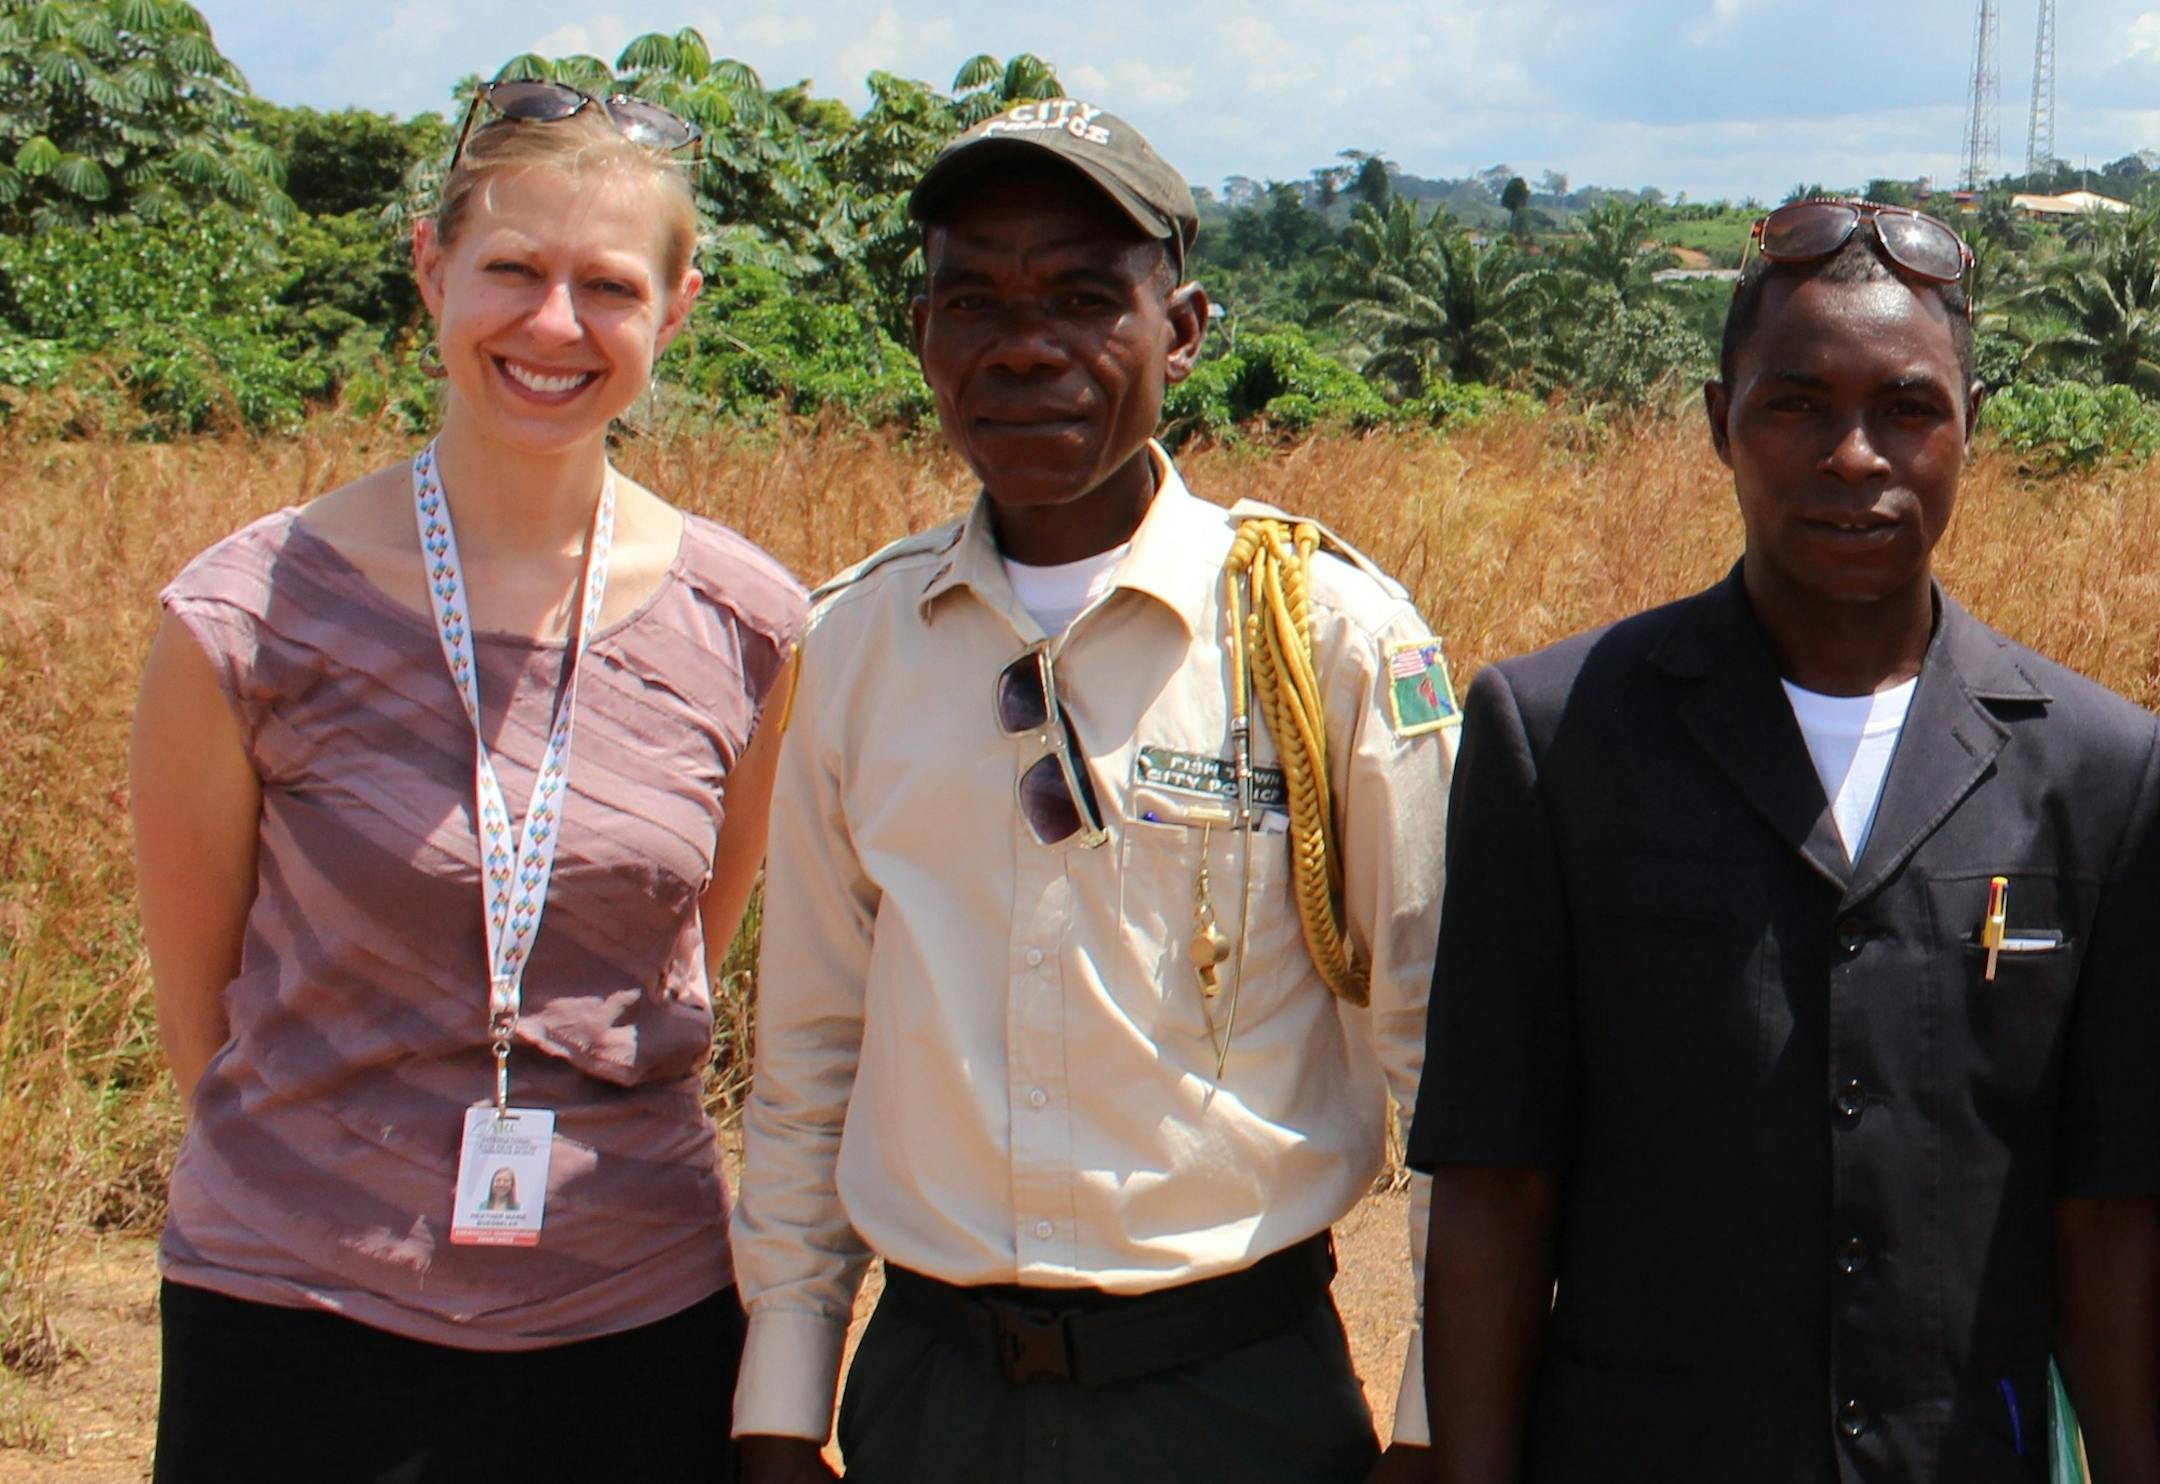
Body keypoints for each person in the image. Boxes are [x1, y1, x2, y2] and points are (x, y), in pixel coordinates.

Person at [729, 101, 1456, 1484]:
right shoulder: (856, 645)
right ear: (924, 333)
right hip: (928, 1398)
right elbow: (811, 1051)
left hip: (1233, 1403)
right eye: (973, 301)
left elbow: (1451, 1065)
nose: (1023, 345)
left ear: (1180, 329)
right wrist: (781, 1405)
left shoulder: (1322, 637)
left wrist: (1428, 1429)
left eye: (1079, 296)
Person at [1411, 199, 2160, 1481]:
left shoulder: (2100, 769)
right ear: (1721, 424)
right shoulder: (1559, 735)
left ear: (1971, 427)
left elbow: (2105, 1218)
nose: (1854, 455)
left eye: (1908, 409)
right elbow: (1497, 1179)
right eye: (1796, 404)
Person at [129, 78, 807, 1484]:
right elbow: (202, 1015)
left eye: (609, 287)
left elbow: (684, 955)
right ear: (433, 267)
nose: (554, 327)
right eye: (512, 269)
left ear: (674, 311)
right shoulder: (247, 615)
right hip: (296, 1320)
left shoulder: (749, 625)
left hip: (635, 1320)